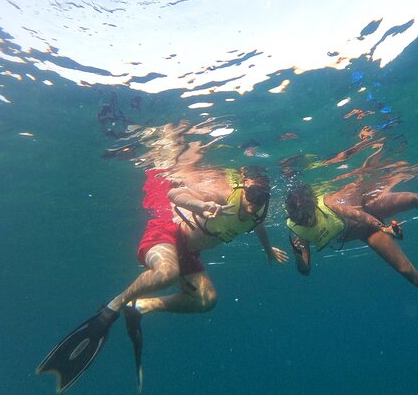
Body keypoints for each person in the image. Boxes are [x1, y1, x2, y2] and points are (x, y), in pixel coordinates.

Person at [36, 164, 288, 393]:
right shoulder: (222, 194)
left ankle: (141, 306)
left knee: (207, 299)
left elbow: (258, 226)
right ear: (243, 188)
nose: (255, 203)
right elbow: (174, 195)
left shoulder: (258, 212)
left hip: (190, 252)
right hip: (167, 231)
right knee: (167, 273)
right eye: (253, 195)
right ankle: (111, 309)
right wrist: (202, 206)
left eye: (263, 197)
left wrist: (267, 250)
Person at [284, 181, 418, 365]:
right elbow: (305, 270)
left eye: (305, 213)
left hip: (370, 210)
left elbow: (358, 215)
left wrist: (385, 228)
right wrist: (298, 256)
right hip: (367, 233)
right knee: (405, 270)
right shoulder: (297, 231)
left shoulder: (326, 203)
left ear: (311, 203)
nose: (303, 220)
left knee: (413, 199)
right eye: (297, 218)